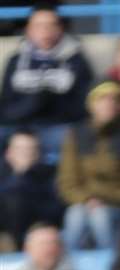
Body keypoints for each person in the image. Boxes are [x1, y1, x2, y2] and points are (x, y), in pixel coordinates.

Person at [56, 81, 120, 251]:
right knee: (75, 214)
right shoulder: (76, 134)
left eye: (115, 99)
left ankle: (112, 266)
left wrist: (102, 198)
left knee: (100, 216)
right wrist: (87, 199)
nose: (109, 103)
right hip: (85, 203)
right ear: (91, 105)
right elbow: (67, 182)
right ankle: (68, 268)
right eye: (102, 99)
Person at [0, 5, 93, 157]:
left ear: (60, 29)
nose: (45, 31)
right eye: (39, 25)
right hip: (19, 127)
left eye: (51, 25)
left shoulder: (77, 61)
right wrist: (32, 103)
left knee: (80, 140)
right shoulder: (15, 61)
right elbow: (5, 107)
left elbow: (83, 108)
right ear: (28, 30)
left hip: (58, 127)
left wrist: (50, 99)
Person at [0, 130, 63, 250]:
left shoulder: (50, 174)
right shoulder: (2, 175)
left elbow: (55, 211)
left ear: (39, 153)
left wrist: (25, 177)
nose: (26, 153)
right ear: (8, 153)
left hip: (40, 232)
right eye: (20, 149)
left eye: (31, 149)